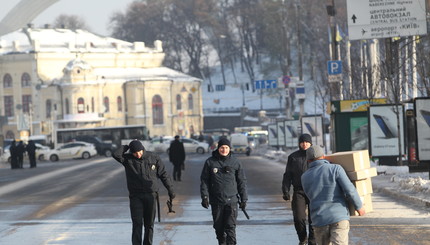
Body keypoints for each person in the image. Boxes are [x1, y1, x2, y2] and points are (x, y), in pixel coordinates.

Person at [112, 140, 175, 245]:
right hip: (135, 196)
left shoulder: (153, 157)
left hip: (151, 195)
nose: (138, 154)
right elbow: (116, 154)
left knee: (149, 224)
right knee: (137, 223)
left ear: (143, 149)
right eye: (135, 152)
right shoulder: (128, 159)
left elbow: (164, 175)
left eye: (139, 151)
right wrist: (128, 146)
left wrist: (170, 189)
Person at [301, 145, 365, 245]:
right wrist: (359, 206)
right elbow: (349, 190)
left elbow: (309, 196)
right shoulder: (335, 169)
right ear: (323, 156)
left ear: (308, 160)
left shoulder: (304, 177)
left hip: (319, 219)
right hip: (338, 217)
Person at [200, 138, 248, 245]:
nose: (224, 150)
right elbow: (204, 181)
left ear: (229, 149)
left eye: (226, 148)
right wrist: (205, 197)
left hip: (231, 201)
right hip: (216, 201)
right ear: (218, 148)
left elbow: (241, 182)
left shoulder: (236, 162)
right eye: (222, 147)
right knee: (219, 228)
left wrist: (244, 199)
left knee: (230, 228)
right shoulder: (210, 162)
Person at [281, 133, 315, 245]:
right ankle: (302, 238)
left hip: (314, 191)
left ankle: (312, 240)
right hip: (299, 191)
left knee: (313, 218)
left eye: (307, 142)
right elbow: (287, 175)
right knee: (298, 217)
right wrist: (285, 190)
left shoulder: (316, 156)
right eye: (302, 142)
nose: (304, 144)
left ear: (311, 143)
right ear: (299, 143)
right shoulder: (293, 157)